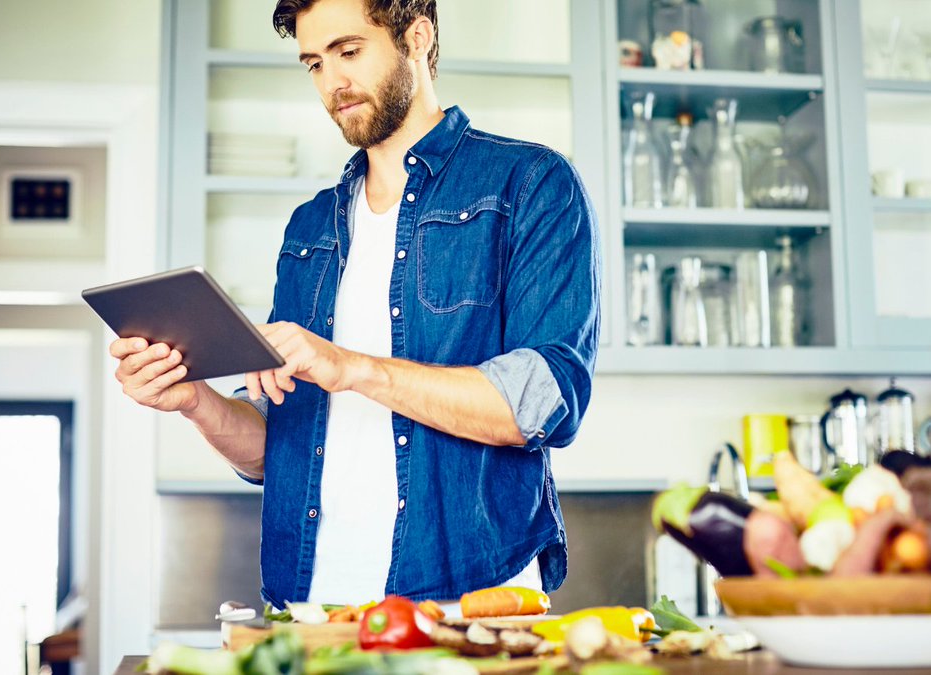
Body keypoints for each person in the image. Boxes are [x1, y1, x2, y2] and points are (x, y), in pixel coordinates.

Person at [109, 0, 600, 609]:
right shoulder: (309, 228)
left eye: (348, 51)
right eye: (313, 63)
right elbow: (277, 449)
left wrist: (353, 367)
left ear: (416, 38)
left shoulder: (530, 183)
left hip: (468, 602)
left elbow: (544, 401)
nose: (332, 82)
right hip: (311, 603)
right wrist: (194, 402)